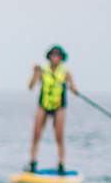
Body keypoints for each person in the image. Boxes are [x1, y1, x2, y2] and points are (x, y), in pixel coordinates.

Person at [27, 46, 80, 174]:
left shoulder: (65, 73)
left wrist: (73, 89)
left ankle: (61, 164)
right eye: (53, 55)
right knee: (36, 134)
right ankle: (33, 162)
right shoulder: (42, 71)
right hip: (43, 105)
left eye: (58, 56)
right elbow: (30, 87)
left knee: (59, 136)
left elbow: (74, 89)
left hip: (59, 107)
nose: (55, 58)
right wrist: (35, 74)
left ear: (61, 58)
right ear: (49, 57)